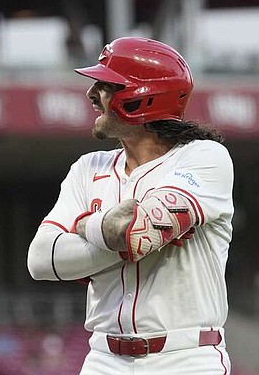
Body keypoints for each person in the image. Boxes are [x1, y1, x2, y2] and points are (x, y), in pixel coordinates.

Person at [27, 37, 233, 374]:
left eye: (106, 86)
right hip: (103, 358)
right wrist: (108, 230)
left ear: (141, 97)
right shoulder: (87, 168)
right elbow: (40, 260)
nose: (92, 95)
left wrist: (85, 226)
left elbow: (139, 234)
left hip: (187, 358)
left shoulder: (205, 157)